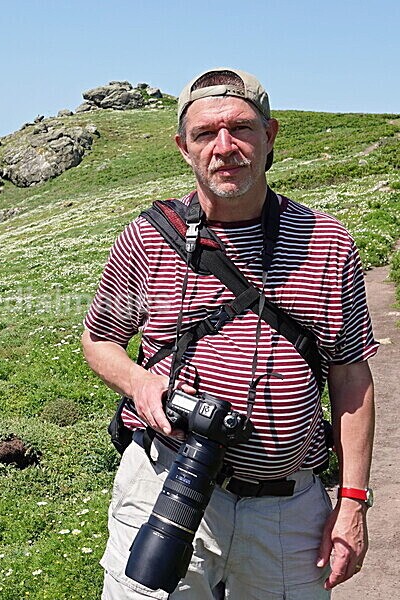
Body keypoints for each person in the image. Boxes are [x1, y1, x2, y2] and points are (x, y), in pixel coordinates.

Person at [82, 68, 377, 599]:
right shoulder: (149, 237)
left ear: (270, 136)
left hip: (288, 508)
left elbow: (351, 375)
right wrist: (139, 383)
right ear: (183, 147)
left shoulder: (327, 241)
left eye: (240, 128)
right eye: (204, 134)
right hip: (166, 484)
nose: (225, 147)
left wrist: (352, 501)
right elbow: (100, 339)